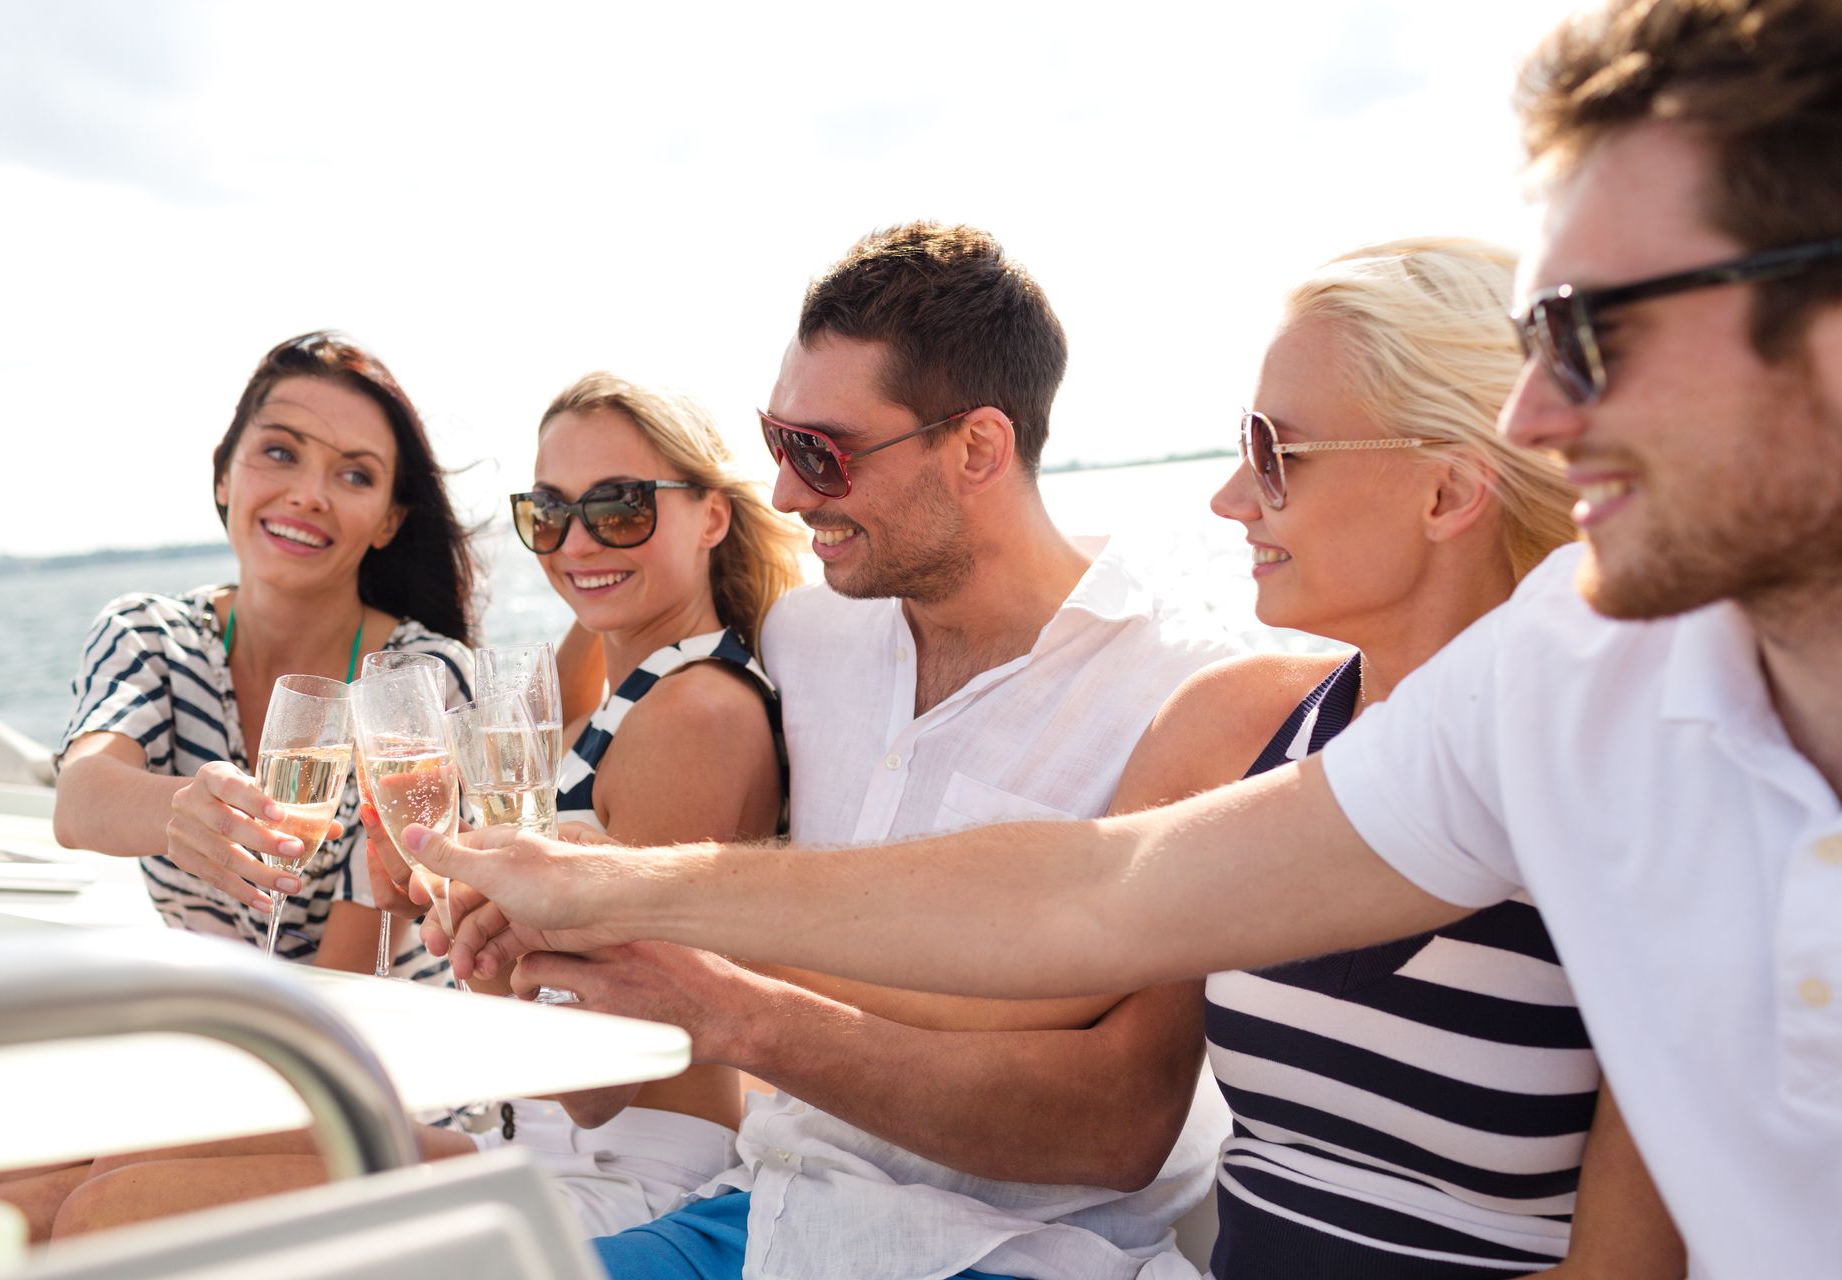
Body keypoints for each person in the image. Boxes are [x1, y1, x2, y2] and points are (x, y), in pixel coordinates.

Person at [406, 4, 1842, 1276]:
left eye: (1593, 333)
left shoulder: (1582, 710)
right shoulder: (1565, 689)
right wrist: (619, 897)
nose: (1539, 413)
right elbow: (1097, 893)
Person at [479, 223, 1242, 1280]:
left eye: (820, 451)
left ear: (977, 447)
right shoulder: (806, 635)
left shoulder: (1178, 693)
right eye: (775, 440)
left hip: (1023, 1255)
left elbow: (1118, 1126)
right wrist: (538, 859)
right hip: (759, 1218)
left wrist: (725, 1003)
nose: (786, 494)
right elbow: (624, 643)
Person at [0, 373, 802, 1242]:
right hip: (514, 1126)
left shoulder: (695, 717)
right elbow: (529, 707)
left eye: (622, 507)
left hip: (609, 1169)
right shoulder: (628, 667)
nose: (579, 542)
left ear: (712, 516)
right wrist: (439, 886)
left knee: (111, 1205)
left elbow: (597, 1084)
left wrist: (466, 903)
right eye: (549, 512)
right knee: (51, 1169)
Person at [1106, 238, 1677, 1276]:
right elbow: (1052, 925)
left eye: (1274, 448)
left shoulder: (1629, 792)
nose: (1232, 495)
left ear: (1448, 492)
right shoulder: (1241, 727)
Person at [54, 329, 476, 976]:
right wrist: (182, 811)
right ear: (223, 473)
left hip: (381, 1042)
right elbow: (80, 801)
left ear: (389, 520)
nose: (310, 494)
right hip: (228, 1024)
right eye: (280, 452)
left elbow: (347, 973)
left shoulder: (419, 676)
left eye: (355, 474)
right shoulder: (149, 636)